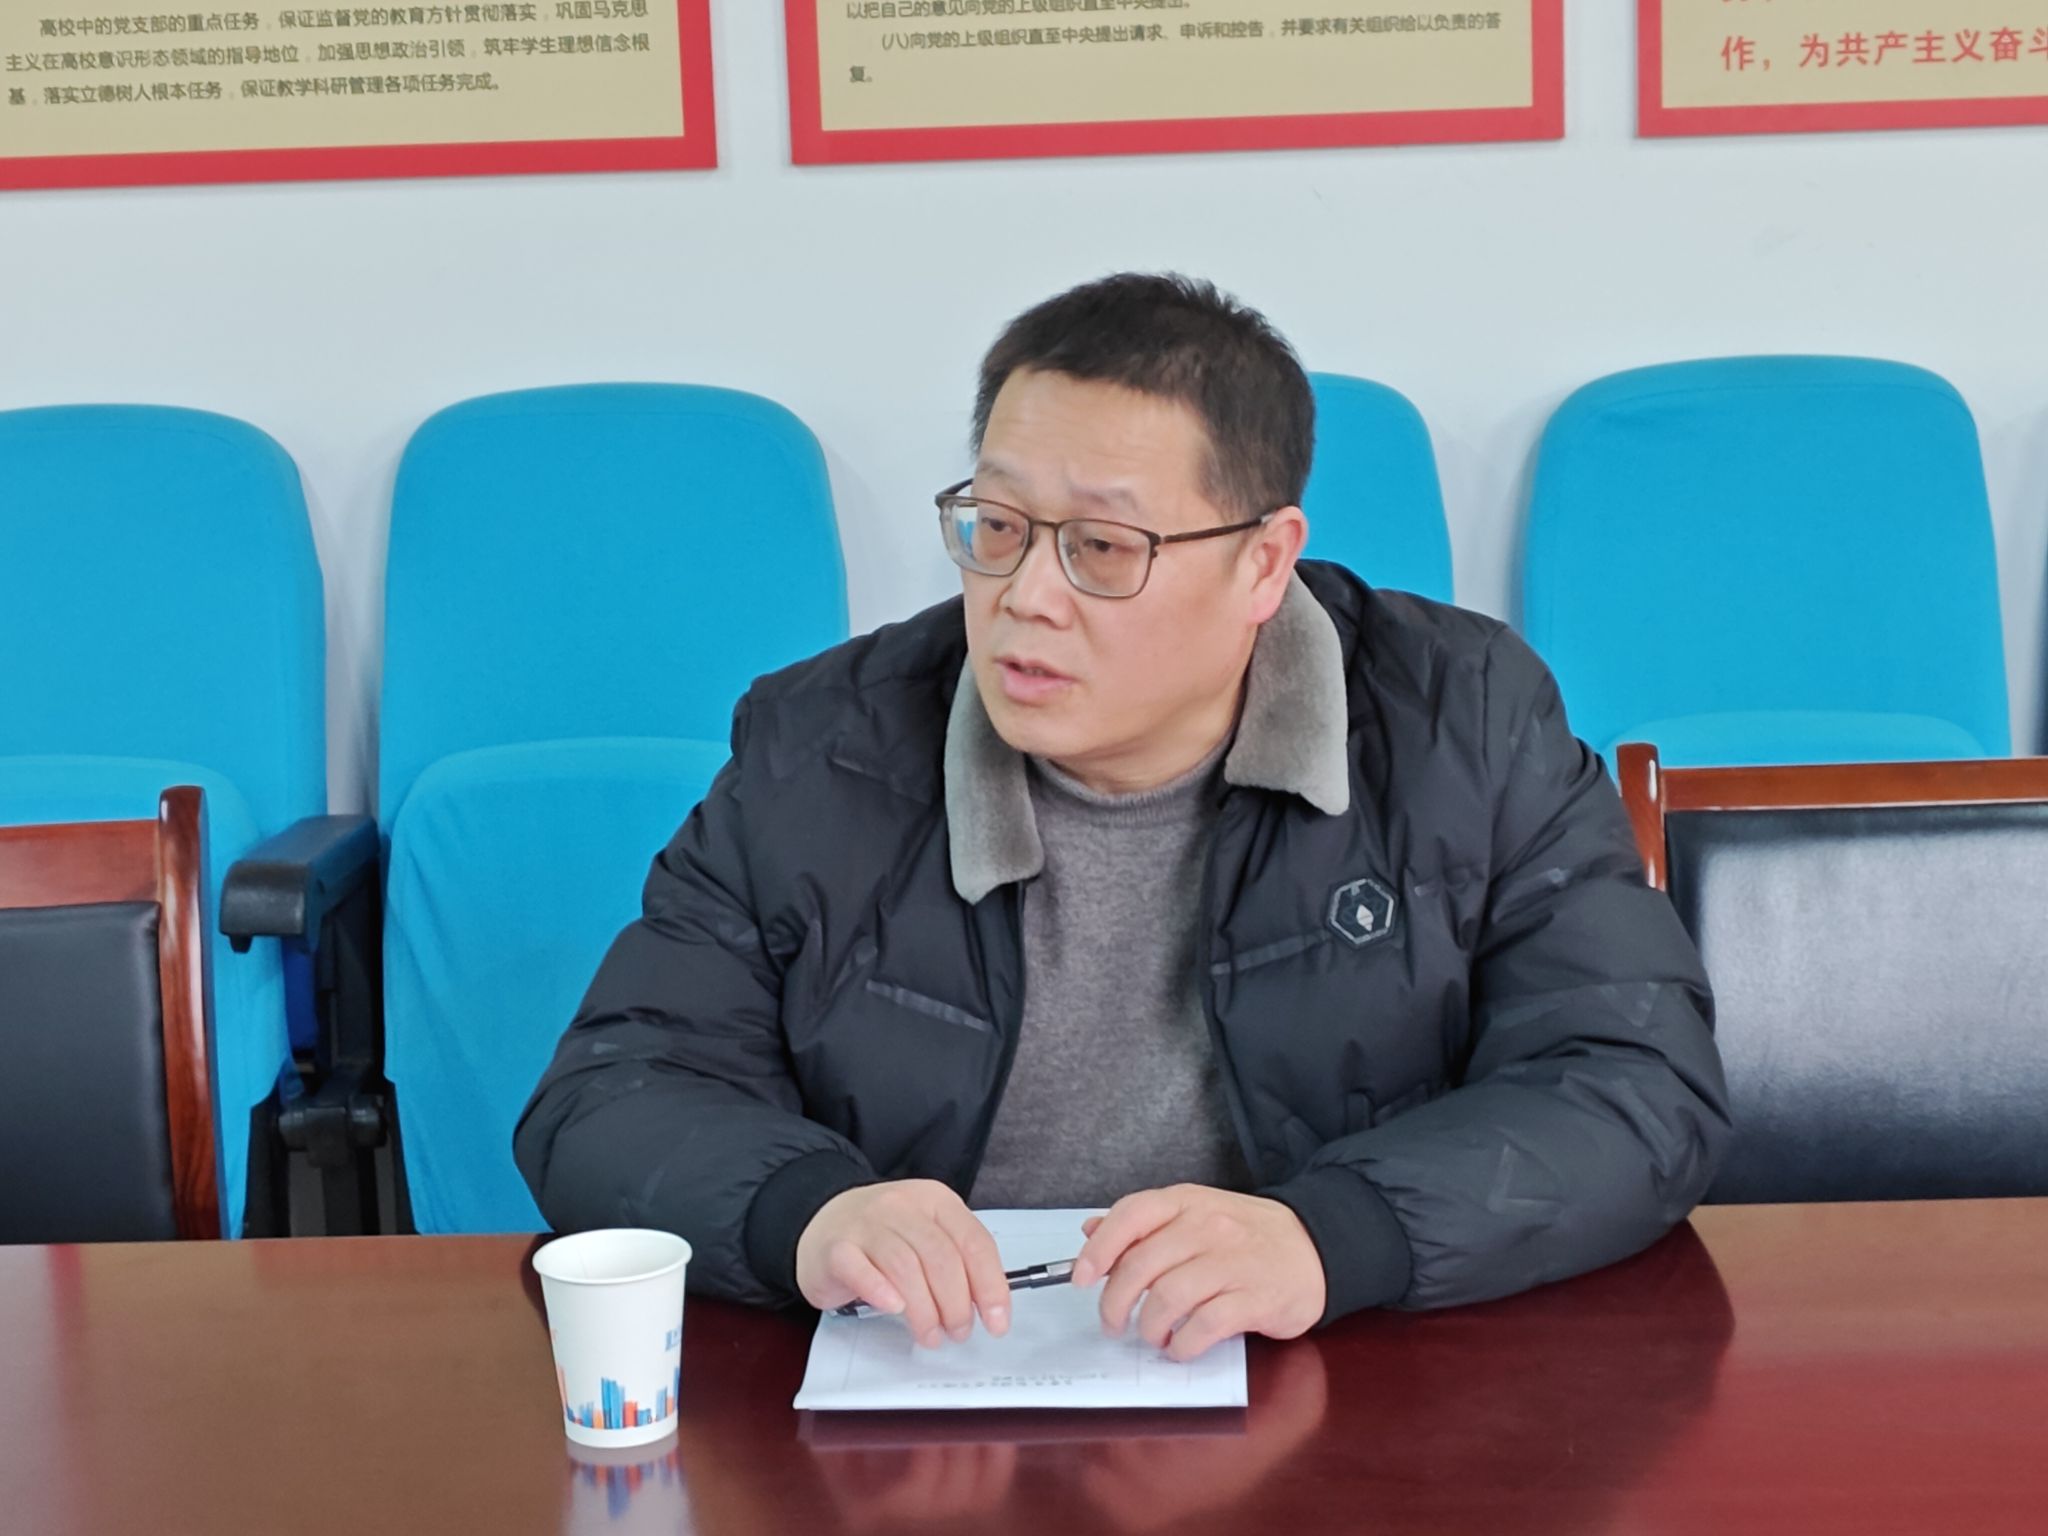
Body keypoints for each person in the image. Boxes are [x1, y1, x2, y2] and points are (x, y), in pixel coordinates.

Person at [514, 273, 1730, 1363]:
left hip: (1333, 1382)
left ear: (1262, 564)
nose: (1025, 598)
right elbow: (606, 1096)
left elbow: (1633, 1086)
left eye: (1101, 546)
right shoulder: (821, 748)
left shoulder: (1461, 723)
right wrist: (808, 1213)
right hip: (929, 1389)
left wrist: (1333, 1235)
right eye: (996, 529)